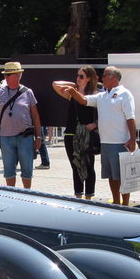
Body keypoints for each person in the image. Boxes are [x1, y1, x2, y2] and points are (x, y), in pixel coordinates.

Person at [68, 65, 137, 204]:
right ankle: (116, 202)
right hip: (105, 143)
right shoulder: (102, 95)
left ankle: (126, 204)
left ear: (114, 77)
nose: (102, 78)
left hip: (120, 142)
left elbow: (130, 118)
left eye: (105, 75)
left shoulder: (125, 94)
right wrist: (72, 91)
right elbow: (84, 100)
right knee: (111, 176)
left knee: (122, 176)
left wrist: (133, 139)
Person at [0, 61, 42, 189]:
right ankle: (11, 195)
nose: (17, 77)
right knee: (9, 171)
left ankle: (27, 195)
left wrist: (39, 137)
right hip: (6, 138)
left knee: (27, 170)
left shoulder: (28, 92)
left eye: (18, 74)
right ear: (6, 76)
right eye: (13, 74)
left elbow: (35, 116)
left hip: (25, 137)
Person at [52, 65, 99, 199]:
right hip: (71, 133)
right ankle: (78, 196)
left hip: (86, 134)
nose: (78, 78)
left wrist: (95, 124)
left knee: (89, 166)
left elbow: (103, 113)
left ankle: (89, 197)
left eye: (81, 76)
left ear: (89, 78)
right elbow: (55, 84)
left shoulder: (95, 94)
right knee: (75, 165)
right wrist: (74, 86)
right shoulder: (72, 92)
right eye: (77, 75)